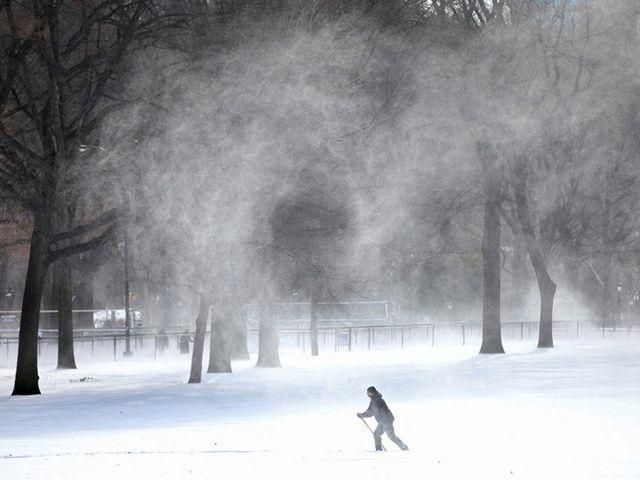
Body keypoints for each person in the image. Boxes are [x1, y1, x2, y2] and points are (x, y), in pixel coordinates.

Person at [357, 386, 409, 451]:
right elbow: (370, 410)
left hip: (387, 421)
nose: (367, 394)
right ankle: (379, 450)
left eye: (368, 393)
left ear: (372, 393)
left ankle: (403, 447)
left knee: (391, 436)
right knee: (377, 434)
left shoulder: (378, 400)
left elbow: (372, 412)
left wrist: (363, 415)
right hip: (382, 422)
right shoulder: (374, 400)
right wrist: (362, 415)